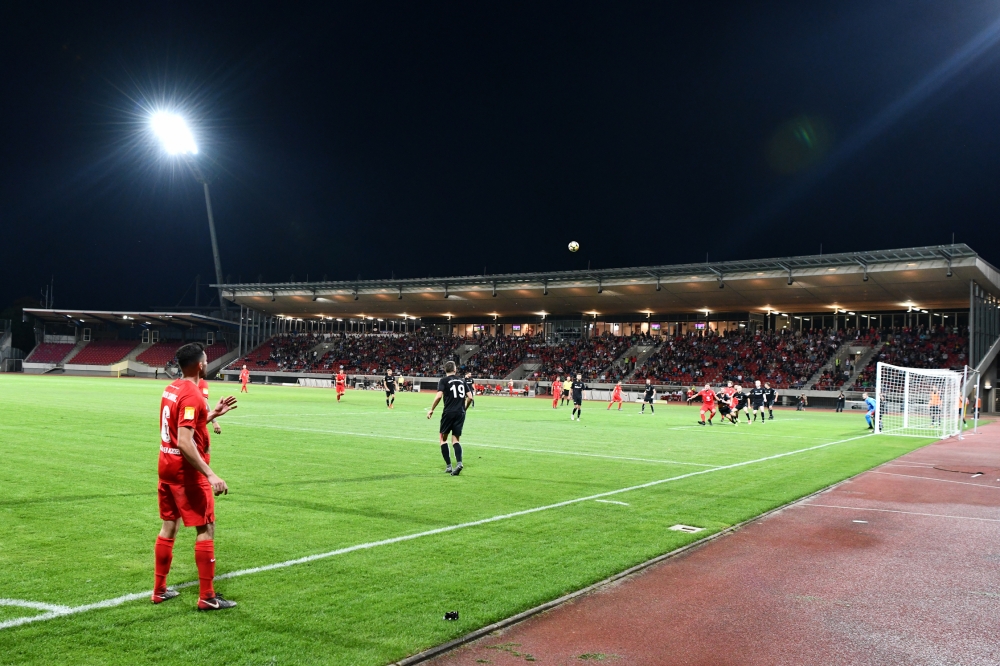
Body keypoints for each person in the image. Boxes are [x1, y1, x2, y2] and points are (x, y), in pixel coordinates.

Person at [153, 342, 238, 611]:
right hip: (185, 471)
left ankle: (159, 590)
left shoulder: (172, 387)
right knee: (206, 527)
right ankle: (207, 597)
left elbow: (181, 424)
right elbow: (185, 441)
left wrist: (212, 413)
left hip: (165, 466)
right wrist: (210, 474)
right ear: (200, 364)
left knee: (170, 525)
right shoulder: (190, 392)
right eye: (205, 359)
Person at [427, 361, 466, 476]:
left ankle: (449, 466)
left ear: (445, 370)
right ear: (455, 369)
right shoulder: (462, 381)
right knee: (456, 440)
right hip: (460, 413)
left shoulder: (443, 381)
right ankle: (459, 463)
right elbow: (470, 397)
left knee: (443, 439)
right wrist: (465, 408)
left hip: (448, 412)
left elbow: (439, 396)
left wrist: (432, 409)